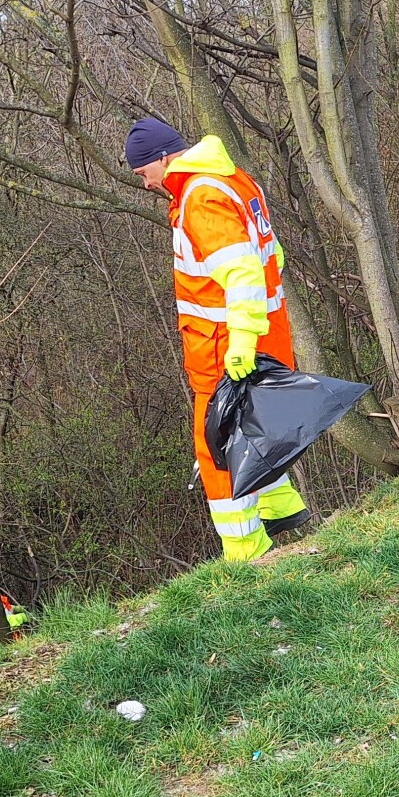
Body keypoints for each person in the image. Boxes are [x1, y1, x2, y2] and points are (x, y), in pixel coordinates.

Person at [124, 117, 310, 561]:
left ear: (162, 159)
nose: (146, 184)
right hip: (263, 332)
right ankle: (279, 507)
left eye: (142, 173)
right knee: (256, 427)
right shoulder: (233, 180)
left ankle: (245, 547)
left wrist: (241, 341)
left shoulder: (201, 196)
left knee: (217, 444)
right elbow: (272, 257)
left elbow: (243, 271)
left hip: (224, 345)